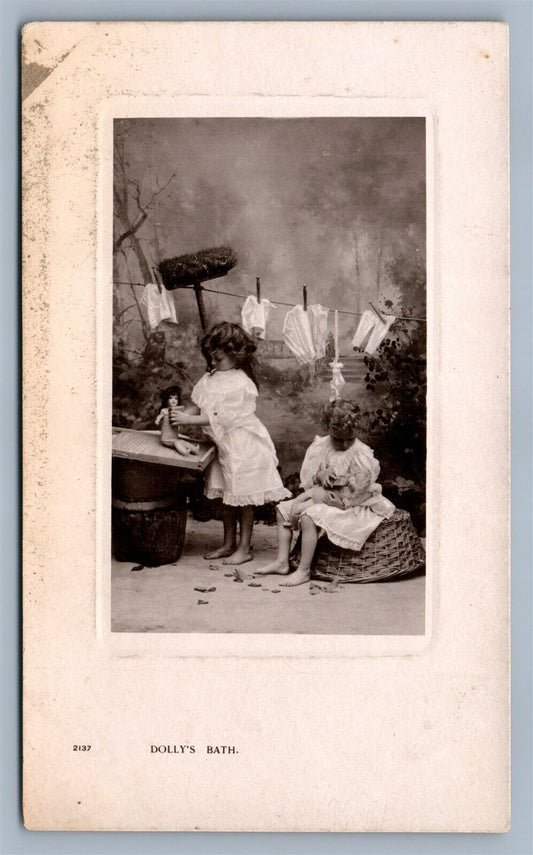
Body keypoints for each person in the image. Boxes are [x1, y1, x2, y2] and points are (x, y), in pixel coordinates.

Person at [170, 322, 290, 564]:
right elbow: (201, 405)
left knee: (242, 498)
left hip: (242, 446)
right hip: (224, 446)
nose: (213, 364)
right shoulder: (211, 377)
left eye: (219, 359)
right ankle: (228, 543)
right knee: (227, 497)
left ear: (236, 356)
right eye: (211, 359)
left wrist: (189, 420)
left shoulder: (240, 382)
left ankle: (244, 548)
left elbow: (221, 417)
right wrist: (180, 413)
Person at [256, 400, 395, 586]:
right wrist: (320, 475)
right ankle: (282, 561)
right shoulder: (321, 447)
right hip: (322, 496)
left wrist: (344, 502)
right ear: (328, 428)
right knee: (282, 510)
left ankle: (304, 570)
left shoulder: (360, 454)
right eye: (338, 439)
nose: (344, 444)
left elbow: (366, 491)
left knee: (308, 517)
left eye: (349, 439)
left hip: (350, 505)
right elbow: (310, 478)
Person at [155, 386, 200, 456]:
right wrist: (157, 420)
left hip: (174, 437)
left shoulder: (177, 411)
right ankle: (185, 452)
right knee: (177, 443)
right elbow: (159, 417)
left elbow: (181, 421)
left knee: (183, 442)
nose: (173, 400)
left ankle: (195, 449)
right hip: (166, 439)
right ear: (166, 400)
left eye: (176, 398)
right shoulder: (164, 410)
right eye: (170, 398)